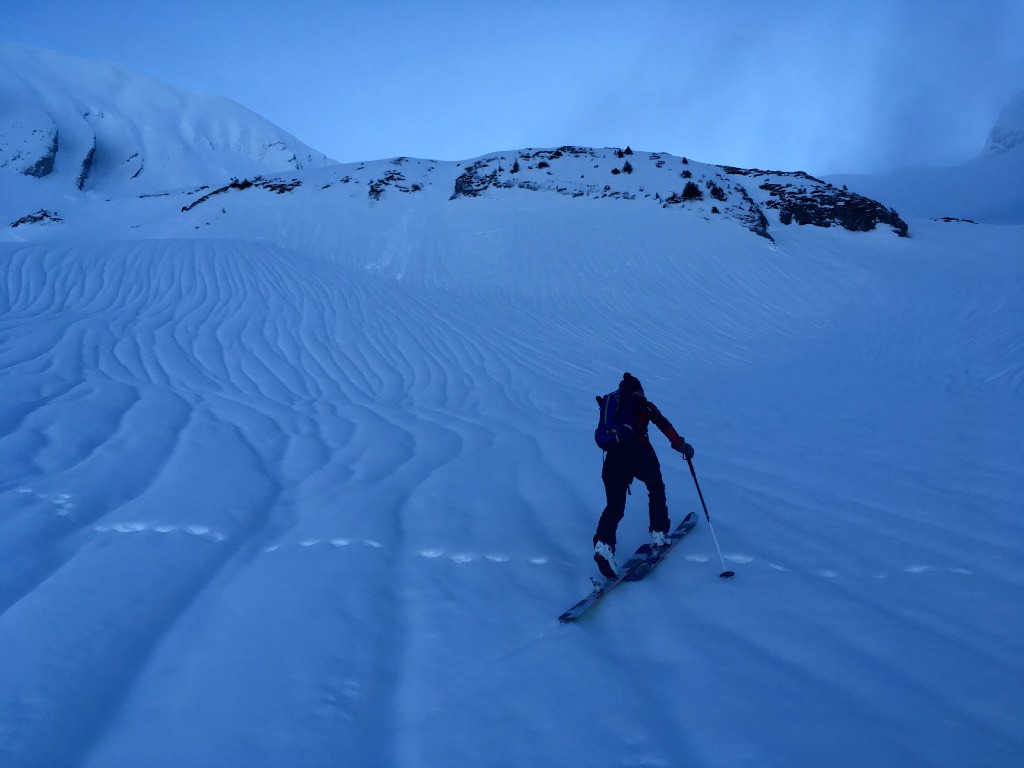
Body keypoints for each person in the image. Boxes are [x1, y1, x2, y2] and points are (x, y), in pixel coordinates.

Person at [593, 372, 694, 579]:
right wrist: (682, 446)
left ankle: (603, 544)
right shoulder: (641, 403)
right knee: (655, 487)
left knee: (614, 505)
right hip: (638, 453)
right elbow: (663, 424)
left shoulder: (612, 406)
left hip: (612, 459)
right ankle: (658, 532)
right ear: (638, 390)